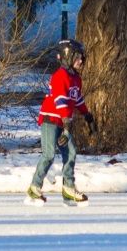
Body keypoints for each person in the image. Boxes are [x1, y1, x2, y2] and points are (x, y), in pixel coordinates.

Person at [28, 38, 90, 205]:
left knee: (71, 152)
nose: (81, 61)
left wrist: (87, 114)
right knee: (49, 154)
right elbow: (61, 101)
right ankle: (34, 187)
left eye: (82, 58)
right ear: (68, 57)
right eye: (78, 57)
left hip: (63, 121)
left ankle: (68, 189)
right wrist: (67, 123)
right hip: (50, 119)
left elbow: (76, 99)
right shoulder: (60, 76)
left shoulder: (76, 78)